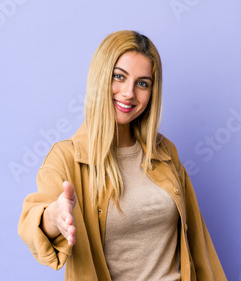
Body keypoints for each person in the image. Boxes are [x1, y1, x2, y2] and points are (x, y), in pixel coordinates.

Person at [18, 30, 227, 281]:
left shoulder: (164, 153)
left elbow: (198, 243)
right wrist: (54, 217)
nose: (129, 93)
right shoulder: (66, 158)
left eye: (142, 83)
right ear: (100, 77)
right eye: (119, 77)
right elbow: (33, 225)